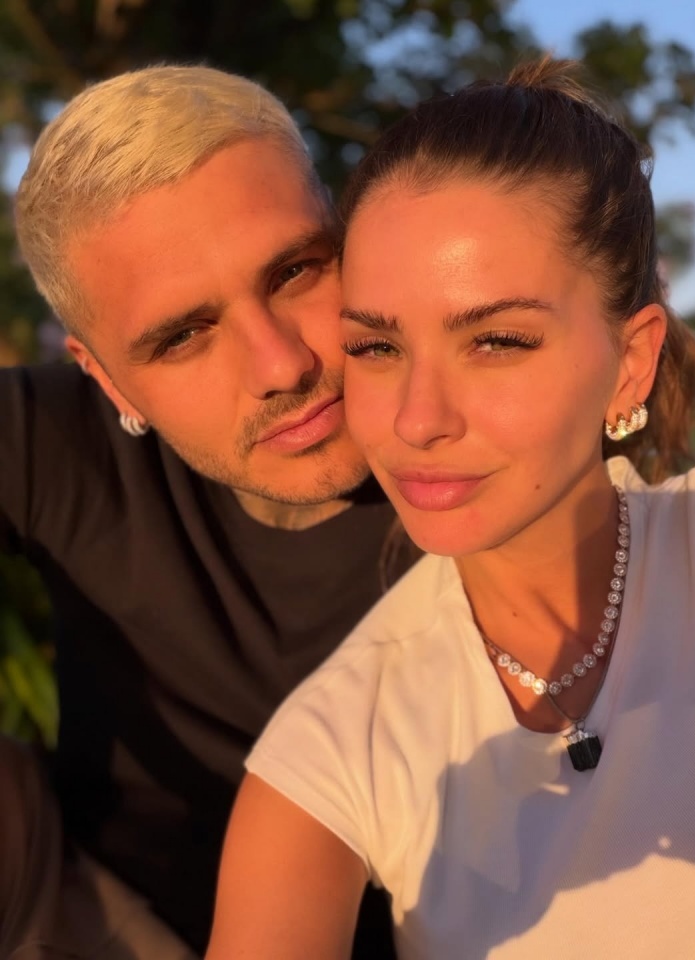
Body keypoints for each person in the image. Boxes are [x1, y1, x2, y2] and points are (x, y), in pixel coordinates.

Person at [206, 58, 695, 959]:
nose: (417, 420)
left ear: (631, 363)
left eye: (497, 341)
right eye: (376, 347)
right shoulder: (337, 748)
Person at [2, 65, 411, 958]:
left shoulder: (492, 450)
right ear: (105, 378)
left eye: (296, 272)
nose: (281, 365)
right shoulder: (47, 438)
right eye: (183, 335)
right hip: (95, 910)